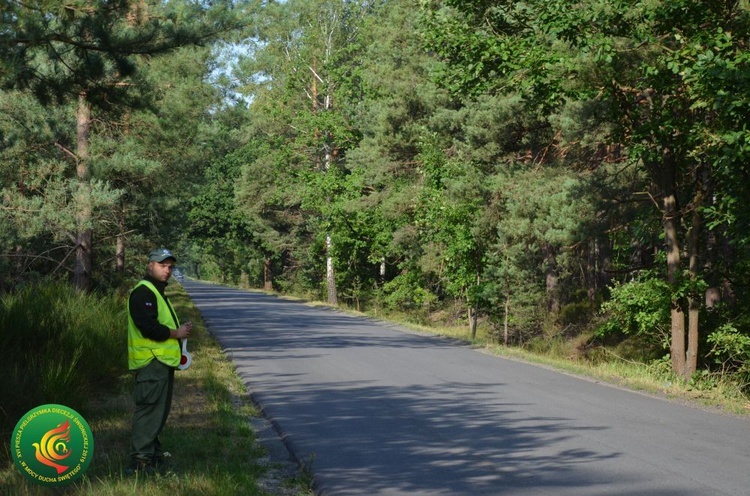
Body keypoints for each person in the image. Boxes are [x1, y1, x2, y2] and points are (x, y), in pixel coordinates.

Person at [126, 248, 192, 474]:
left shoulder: (155, 291)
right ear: (150, 265)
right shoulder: (143, 293)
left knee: (158, 413)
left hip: (161, 363)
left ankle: (152, 455)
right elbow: (149, 328)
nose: (167, 270)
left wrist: (179, 332)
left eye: (170, 267)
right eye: (163, 265)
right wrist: (177, 333)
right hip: (151, 363)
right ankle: (140, 463)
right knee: (149, 412)